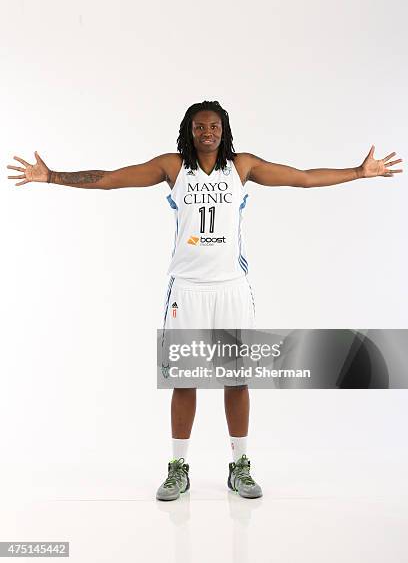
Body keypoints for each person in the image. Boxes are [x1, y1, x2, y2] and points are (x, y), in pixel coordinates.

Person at [7, 100, 403, 501]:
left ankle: (240, 466)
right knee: (185, 379)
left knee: (237, 379)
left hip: (231, 286)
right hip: (188, 289)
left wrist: (359, 171)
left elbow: (301, 178)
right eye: (200, 127)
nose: (208, 132)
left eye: (214, 126)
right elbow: (110, 179)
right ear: (189, 130)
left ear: (224, 129)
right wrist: (51, 175)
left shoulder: (242, 166)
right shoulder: (172, 167)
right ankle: (178, 468)